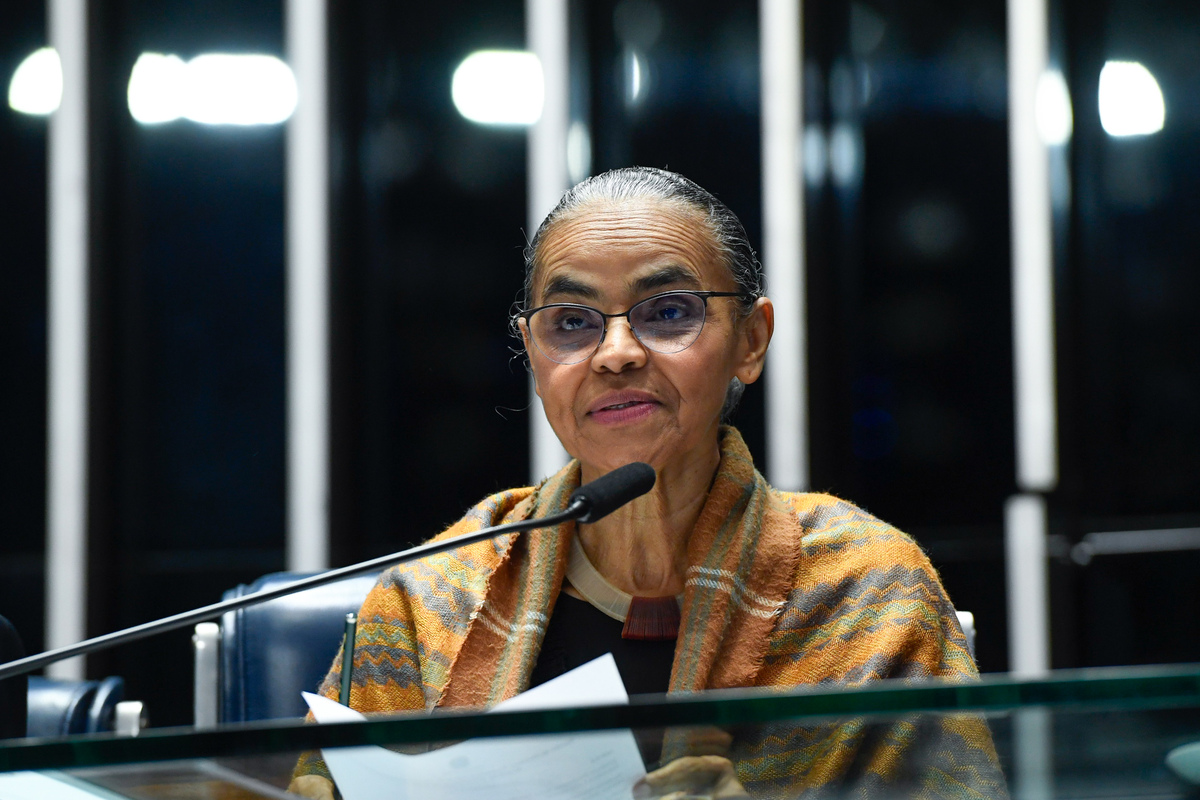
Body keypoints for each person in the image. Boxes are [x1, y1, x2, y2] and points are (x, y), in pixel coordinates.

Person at [289, 167, 1006, 799]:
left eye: (667, 313)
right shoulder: (432, 595)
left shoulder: (869, 589)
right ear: (534, 354)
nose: (615, 354)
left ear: (750, 342)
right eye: (571, 323)